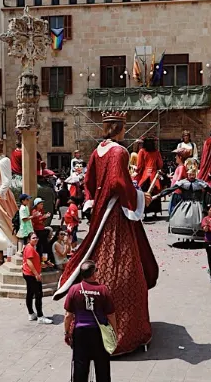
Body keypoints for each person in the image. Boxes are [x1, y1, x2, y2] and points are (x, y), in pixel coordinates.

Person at [55, 111, 159, 355]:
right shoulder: (119, 152)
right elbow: (118, 183)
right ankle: (123, 333)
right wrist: (141, 197)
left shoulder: (97, 151)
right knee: (127, 272)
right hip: (115, 214)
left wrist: (93, 200)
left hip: (100, 212)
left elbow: (89, 182)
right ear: (120, 128)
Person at [64, 260, 116, 382]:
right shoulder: (103, 290)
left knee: (80, 366)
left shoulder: (74, 289)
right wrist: (114, 332)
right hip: (99, 333)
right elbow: (111, 315)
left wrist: (67, 332)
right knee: (102, 367)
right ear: (93, 274)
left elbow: (68, 315)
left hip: (80, 333)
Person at [154, 158, 211, 244]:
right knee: (181, 219)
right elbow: (170, 190)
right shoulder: (183, 183)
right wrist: (158, 196)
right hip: (184, 204)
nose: (191, 176)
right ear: (187, 174)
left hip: (196, 206)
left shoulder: (200, 183)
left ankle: (193, 238)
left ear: (195, 174)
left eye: (193, 174)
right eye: (190, 174)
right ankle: (184, 238)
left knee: (196, 221)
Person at [22, 234, 53, 324]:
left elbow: (34, 261)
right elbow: (29, 262)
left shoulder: (32, 247)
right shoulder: (30, 248)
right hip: (31, 275)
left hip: (28, 273)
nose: (36, 239)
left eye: (36, 237)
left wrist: (42, 264)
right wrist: (36, 274)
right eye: (33, 238)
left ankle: (31, 313)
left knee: (30, 293)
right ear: (29, 239)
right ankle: (40, 316)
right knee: (38, 294)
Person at [135, 136, 164, 218]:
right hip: (154, 175)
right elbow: (160, 164)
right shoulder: (157, 152)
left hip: (145, 176)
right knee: (155, 193)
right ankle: (155, 212)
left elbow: (139, 165)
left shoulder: (142, 151)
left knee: (144, 193)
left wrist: (136, 172)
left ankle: (145, 213)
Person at [168, 149, 188, 216]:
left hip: (177, 192)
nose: (175, 157)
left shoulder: (181, 167)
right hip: (176, 191)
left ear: (180, 157)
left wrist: (171, 189)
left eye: (176, 156)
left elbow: (179, 179)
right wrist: (172, 177)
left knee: (173, 209)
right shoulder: (180, 166)